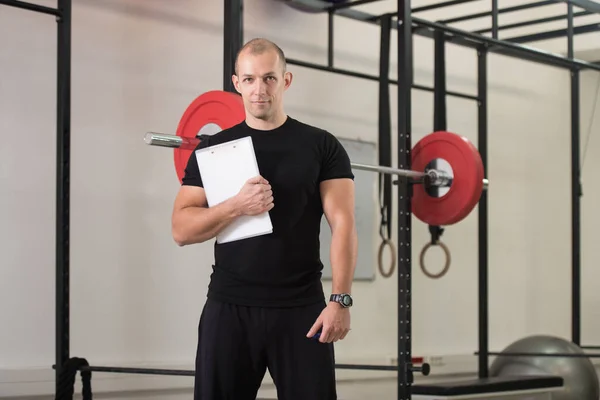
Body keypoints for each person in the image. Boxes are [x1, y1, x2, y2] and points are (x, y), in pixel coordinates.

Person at [171, 37, 358, 400]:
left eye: (270, 78)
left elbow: (344, 224)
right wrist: (236, 205)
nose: (260, 90)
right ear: (236, 83)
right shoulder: (213, 149)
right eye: (250, 79)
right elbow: (180, 230)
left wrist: (341, 300)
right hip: (229, 307)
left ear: (286, 81)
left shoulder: (322, 146)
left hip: (302, 309)